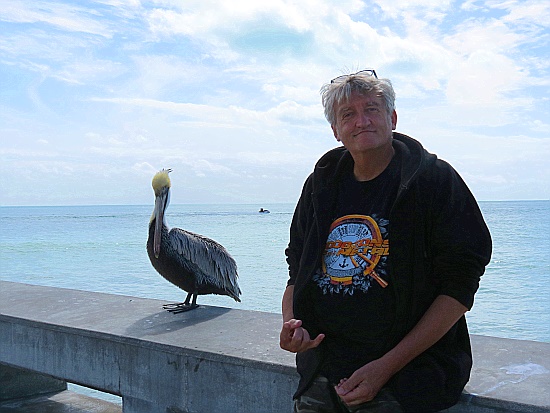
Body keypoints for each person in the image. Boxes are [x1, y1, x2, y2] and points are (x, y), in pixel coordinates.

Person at [279, 69, 492, 413]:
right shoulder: (321, 184)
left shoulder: (434, 181)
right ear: (336, 130)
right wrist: (292, 325)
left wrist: (386, 367)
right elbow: (297, 267)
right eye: (348, 114)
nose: (361, 121)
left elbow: (459, 288)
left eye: (372, 109)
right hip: (323, 368)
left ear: (392, 118)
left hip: (409, 376)